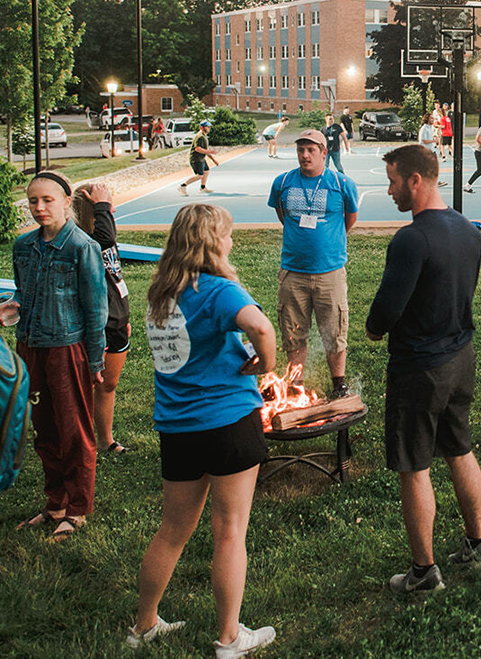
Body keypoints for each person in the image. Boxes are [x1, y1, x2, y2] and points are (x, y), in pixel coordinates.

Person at [129, 203, 277, 657]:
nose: (231, 242)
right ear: (212, 243)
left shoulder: (162, 292)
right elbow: (260, 326)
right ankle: (231, 637)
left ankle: (144, 624)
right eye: (227, 235)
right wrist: (264, 363)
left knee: (171, 530)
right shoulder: (218, 290)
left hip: (178, 426)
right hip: (228, 421)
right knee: (230, 531)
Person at [365, 145, 481, 592]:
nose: (390, 189)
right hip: (461, 356)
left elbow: (387, 309)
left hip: (420, 366)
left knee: (415, 466)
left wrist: (374, 329)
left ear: (415, 180)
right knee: (460, 449)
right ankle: (477, 544)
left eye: (394, 180)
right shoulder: (467, 229)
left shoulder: (412, 238)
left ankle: (423, 572)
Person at [12, 172, 107, 543]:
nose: (39, 208)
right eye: (33, 201)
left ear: (67, 202)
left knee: (74, 431)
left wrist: (95, 361)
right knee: (44, 428)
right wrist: (14, 308)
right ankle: (55, 503)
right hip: (31, 346)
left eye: (47, 200)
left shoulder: (82, 247)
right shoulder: (23, 246)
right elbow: (25, 294)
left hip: (68, 348)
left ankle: (79, 508)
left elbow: (95, 309)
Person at [267, 129, 359, 398]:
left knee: (335, 331)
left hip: (330, 272)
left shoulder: (341, 184)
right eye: (300, 150)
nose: (304, 155)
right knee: (294, 332)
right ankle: (295, 385)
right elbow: (283, 215)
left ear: (323, 152)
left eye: (310, 150)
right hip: (293, 273)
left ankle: (338, 383)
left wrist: (329, 243)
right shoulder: (282, 182)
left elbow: (349, 219)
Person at [74, 183, 131, 455]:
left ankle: (105, 441)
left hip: (116, 320)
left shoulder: (105, 234)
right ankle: (82, 442)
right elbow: (104, 241)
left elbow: (116, 276)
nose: (112, 209)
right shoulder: (83, 239)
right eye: (107, 205)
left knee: (109, 385)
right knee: (85, 386)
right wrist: (101, 208)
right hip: (97, 325)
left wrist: (124, 313)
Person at [178, 120, 219, 195]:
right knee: (199, 175)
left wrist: (213, 160)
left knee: (206, 171)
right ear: (201, 127)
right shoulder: (200, 136)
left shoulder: (204, 136)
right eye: (207, 126)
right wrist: (211, 152)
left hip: (201, 158)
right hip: (196, 159)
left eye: (209, 126)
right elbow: (198, 149)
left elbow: (205, 150)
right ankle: (183, 186)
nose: (208, 128)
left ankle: (203, 187)